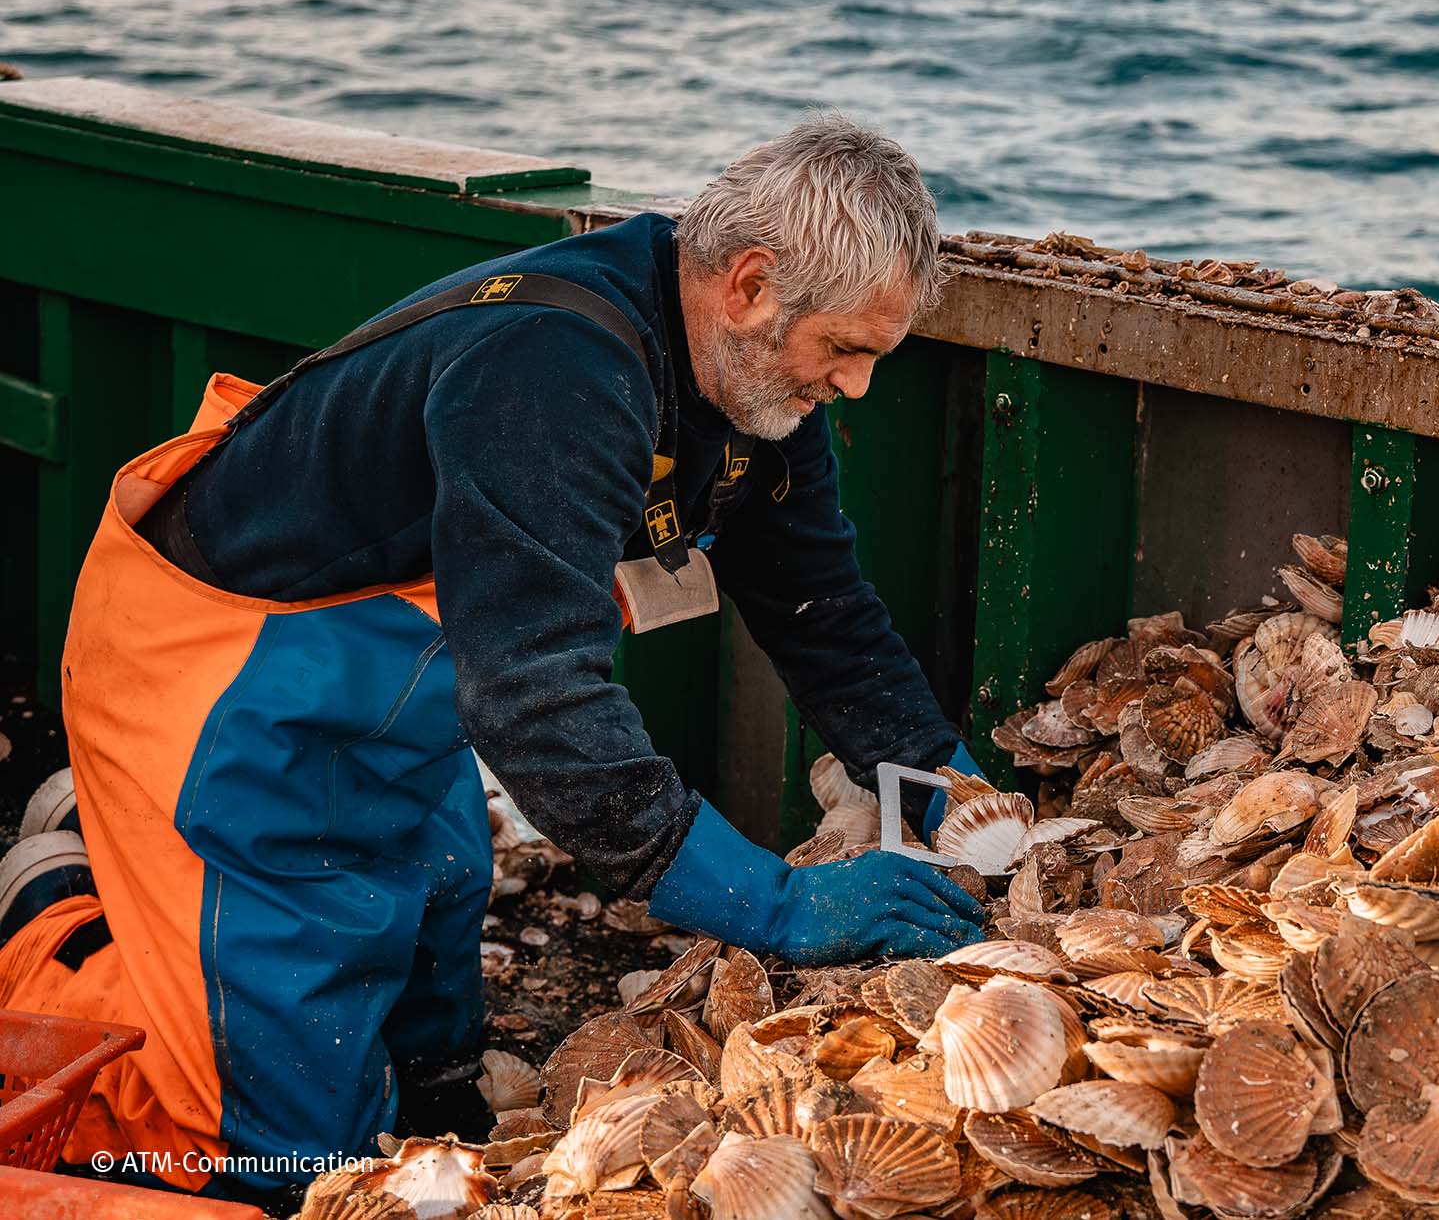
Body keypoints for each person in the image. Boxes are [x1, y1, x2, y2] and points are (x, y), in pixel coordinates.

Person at [0, 115, 989, 1199]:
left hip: (395, 663)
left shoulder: (754, 385)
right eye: (844, 351)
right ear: (749, 286)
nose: (854, 387)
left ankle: (375, 1068)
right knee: (272, 1138)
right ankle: (52, 922)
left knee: (431, 931)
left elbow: (821, 607)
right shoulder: (554, 371)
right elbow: (538, 702)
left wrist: (943, 775)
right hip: (218, 668)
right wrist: (775, 907)